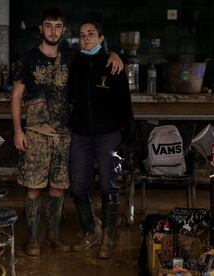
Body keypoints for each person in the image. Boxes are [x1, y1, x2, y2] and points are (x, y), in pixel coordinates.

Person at [11, 8, 124, 257]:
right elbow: (17, 95)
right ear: (41, 29)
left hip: (64, 135)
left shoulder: (72, 57)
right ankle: (32, 238)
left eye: (57, 26)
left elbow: (96, 56)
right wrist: (18, 130)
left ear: (63, 30)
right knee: (33, 187)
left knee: (58, 187)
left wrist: (114, 53)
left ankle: (53, 235)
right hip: (36, 134)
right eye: (48, 25)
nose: (53, 30)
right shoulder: (27, 59)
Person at [68, 20, 135, 259]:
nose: (85, 38)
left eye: (91, 34)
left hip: (109, 135)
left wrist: (128, 140)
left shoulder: (112, 64)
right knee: (78, 187)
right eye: (81, 34)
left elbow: (125, 105)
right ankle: (91, 231)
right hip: (80, 135)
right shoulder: (73, 63)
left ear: (101, 37)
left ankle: (108, 237)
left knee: (110, 186)